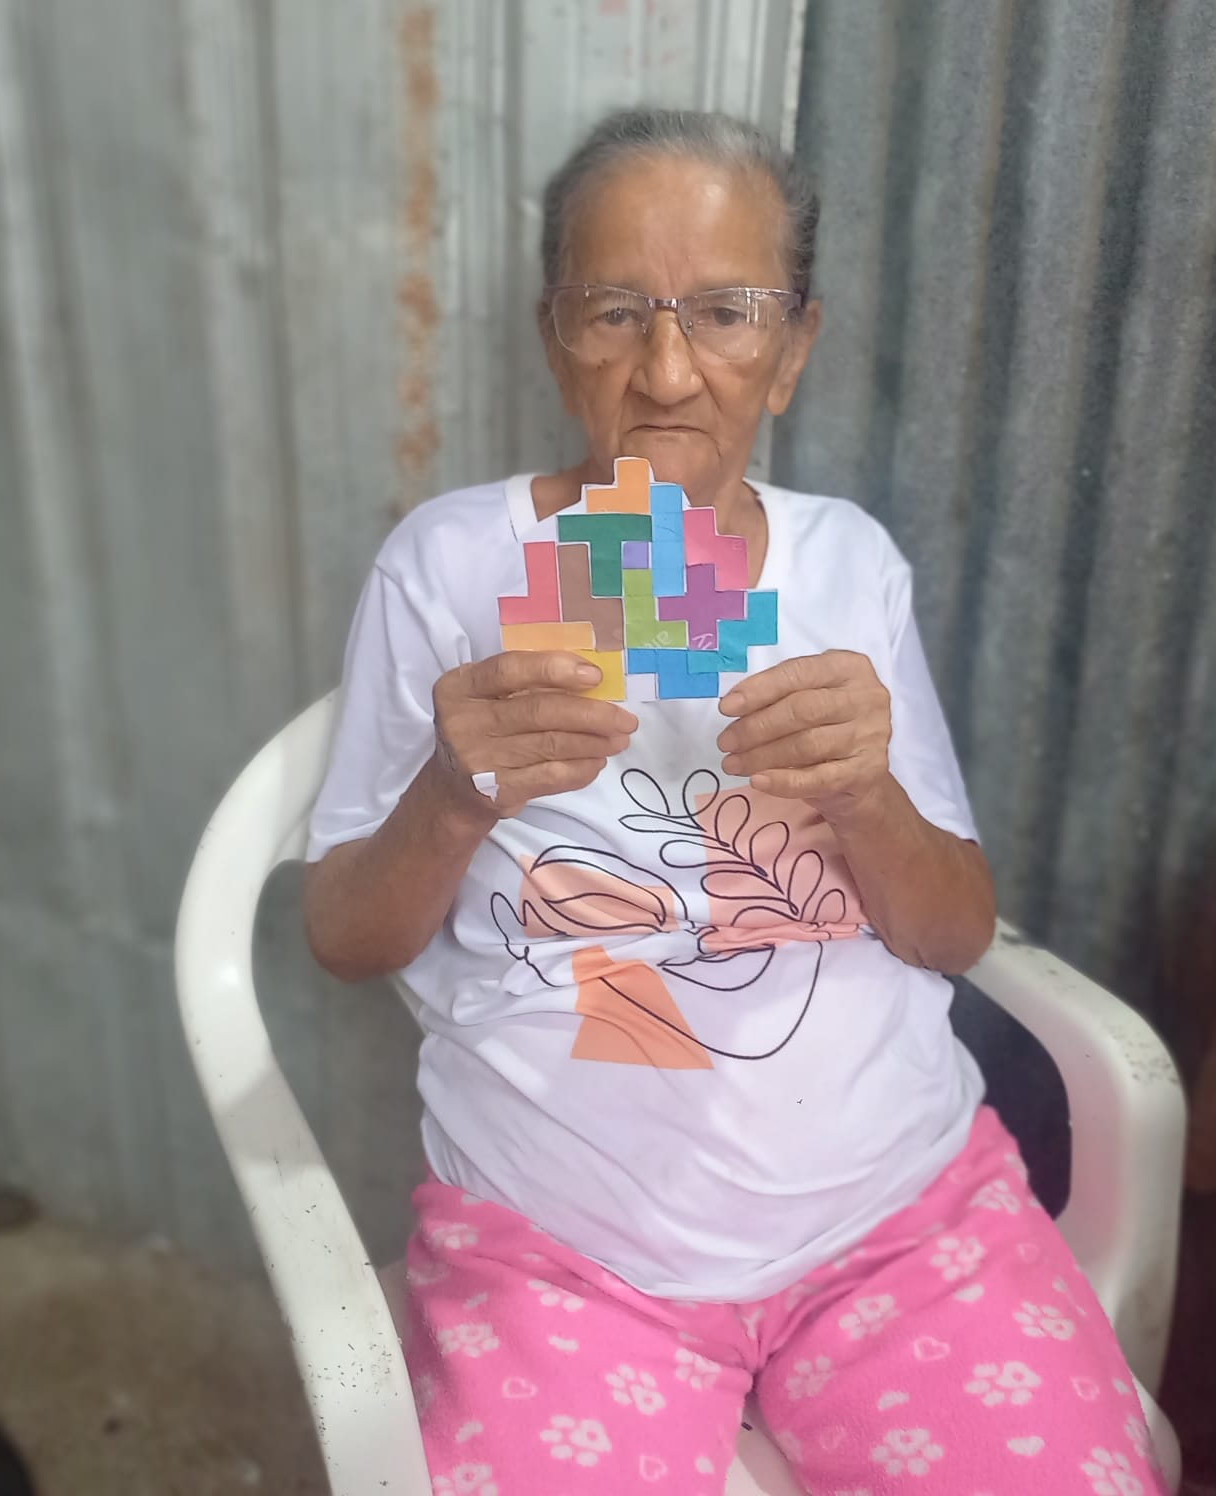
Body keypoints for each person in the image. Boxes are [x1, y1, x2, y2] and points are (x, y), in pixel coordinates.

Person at [304, 108, 1166, 1496]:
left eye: (724, 313)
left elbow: (953, 932)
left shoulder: (844, 566)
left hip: (901, 1222)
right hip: (563, 1252)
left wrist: (868, 798)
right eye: (616, 313)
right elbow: (345, 937)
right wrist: (455, 796)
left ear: (794, 348)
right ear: (554, 338)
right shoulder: (454, 565)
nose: (666, 372)